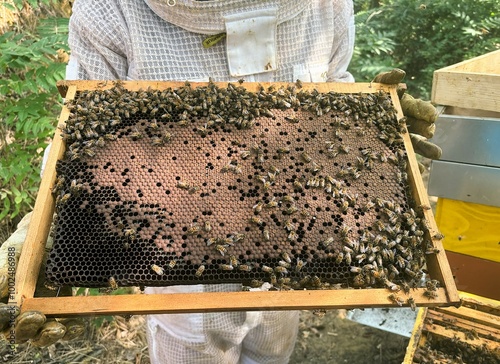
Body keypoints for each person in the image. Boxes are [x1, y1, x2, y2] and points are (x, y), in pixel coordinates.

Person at [0, 0, 439, 362]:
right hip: (177, 263)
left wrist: (377, 147)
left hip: (291, 256)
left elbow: (332, 88)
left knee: (272, 348)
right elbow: (83, 133)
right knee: (195, 348)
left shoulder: (327, 7)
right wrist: (42, 225)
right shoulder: (111, 11)